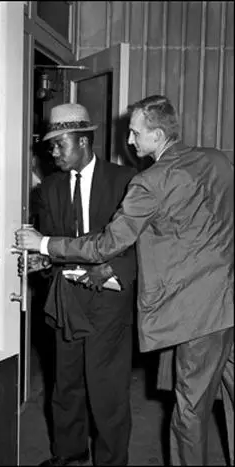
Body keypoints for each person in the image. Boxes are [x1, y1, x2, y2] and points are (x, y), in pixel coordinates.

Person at [15, 95, 234, 466]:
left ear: (158, 134)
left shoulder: (146, 181)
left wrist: (45, 243)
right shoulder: (218, 159)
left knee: (188, 412)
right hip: (226, 300)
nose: (128, 142)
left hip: (194, 313)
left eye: (135, 133)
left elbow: (109, 243)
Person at [23, 103, 137, 466]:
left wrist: (112, 268)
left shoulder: (125, 181)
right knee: (66, 383)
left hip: (109, 297)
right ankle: (69, 452)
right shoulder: (50, 188)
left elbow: (142, 239)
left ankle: (110, 460)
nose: (53, 152)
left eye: (60, 143)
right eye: (51, 145)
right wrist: (41, 261)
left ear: (85, 142)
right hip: (65, 297)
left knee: (107, 390)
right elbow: (51, 242)